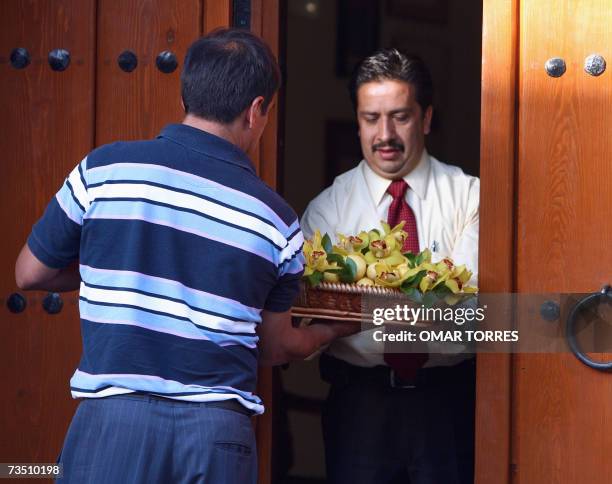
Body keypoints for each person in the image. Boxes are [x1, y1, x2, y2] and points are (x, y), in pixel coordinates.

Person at [15, 28, 356, 484]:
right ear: (257, 111)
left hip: (113, 427)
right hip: (217, 437)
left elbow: (30, 272)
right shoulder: (276, 220)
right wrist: (335, 328)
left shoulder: (104, 170)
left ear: (186, 95)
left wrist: (118, 266)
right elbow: (276, 348)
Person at [301, 49, 479, 484]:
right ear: (358, 122)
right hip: (360, 405)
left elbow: (467, 313)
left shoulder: (469, 197)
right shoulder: (328, 210)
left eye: (399, 116)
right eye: (371, 118)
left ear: (426, 118)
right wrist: (424, 298)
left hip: (447, 404)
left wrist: (359, 299)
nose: (385, 134)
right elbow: (312, 317)